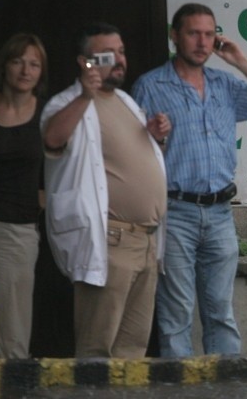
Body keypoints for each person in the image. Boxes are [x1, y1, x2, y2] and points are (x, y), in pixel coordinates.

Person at [131, 3, 247, 358]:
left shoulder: (224, 84)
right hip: (175, 211)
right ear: (175, 36)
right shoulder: (151, 85)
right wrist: (151, 135)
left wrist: (241, 61)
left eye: (209, 34)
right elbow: (131, 152)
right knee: (176, 316)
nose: (202, 42)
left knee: (221, 313)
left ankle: (226, 396)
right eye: (193, 33)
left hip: (219, 212)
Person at [41, 22, 170, 359]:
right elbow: (52, 139)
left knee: (132, 349)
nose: (119, 60)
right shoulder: (67, 103)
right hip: (110, 240)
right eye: (107, 54)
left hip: (146, 241)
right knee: (98, 349)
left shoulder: (126, 101)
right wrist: (85, 94)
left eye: (122, 52)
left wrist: (156, 137)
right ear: (86, 61)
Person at [0, 33, 48, 359]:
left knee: (14, 328)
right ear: (4, 65)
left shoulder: (47, 115)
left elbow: (64, 166)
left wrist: (44, 198)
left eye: (34, 64)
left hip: (18, 228)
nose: (25, 70)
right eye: (18, 61)